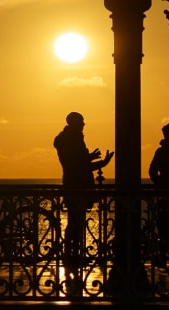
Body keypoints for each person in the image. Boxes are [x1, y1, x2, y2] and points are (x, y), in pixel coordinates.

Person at [53, 111, 113, 264]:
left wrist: (95, 160)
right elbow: (79, 164)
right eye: (81, 122)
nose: (84, 124)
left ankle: (72, 254)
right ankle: (73, 255)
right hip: (77, 185)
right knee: (76, 221)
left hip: (73, 183)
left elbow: (79, 163)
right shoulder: (73, 140)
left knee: (75, 221)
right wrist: (97, 161)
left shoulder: (67, 140)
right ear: (74, 123)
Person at [148, 122, 169, 258]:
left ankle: (163, 252)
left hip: (164, 192)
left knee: (163, 225)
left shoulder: (161, 151)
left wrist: (160, 183)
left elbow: (152, 171)